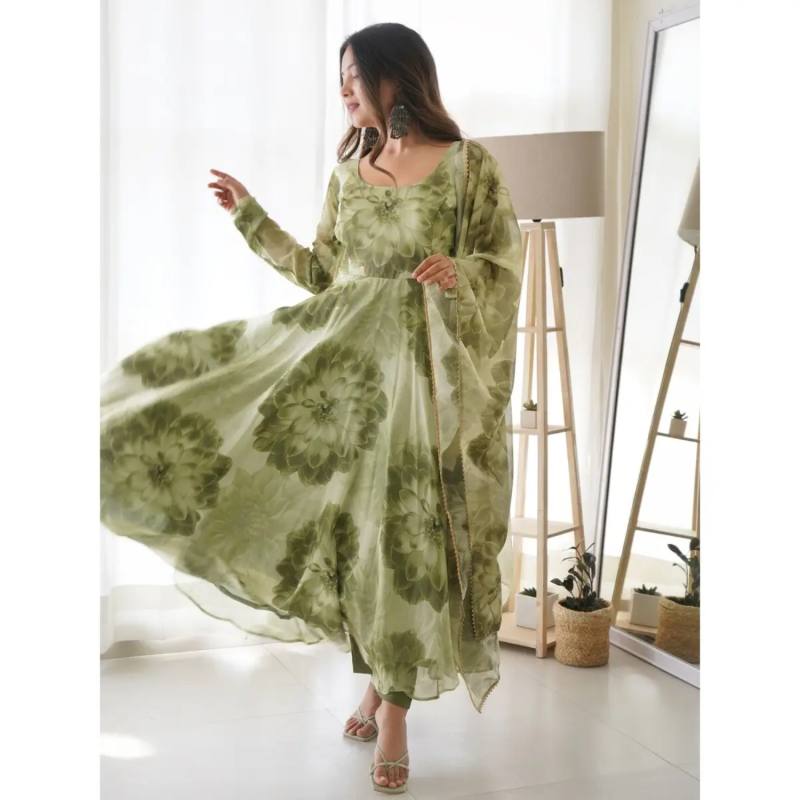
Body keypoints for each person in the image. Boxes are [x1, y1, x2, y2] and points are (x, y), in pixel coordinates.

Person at [100, 21, 523, 794]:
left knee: (407, 546)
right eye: (341, 77)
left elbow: (502, 264)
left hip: (429, 390)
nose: (344, 91)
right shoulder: (348, 175)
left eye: (354, 75)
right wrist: (250, 217)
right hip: (350, 387)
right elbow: (324, 273)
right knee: (361, 544)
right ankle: (380, 685)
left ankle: (392, 711)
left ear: (397, 76)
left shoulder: (470, 169)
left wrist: (460, 274)